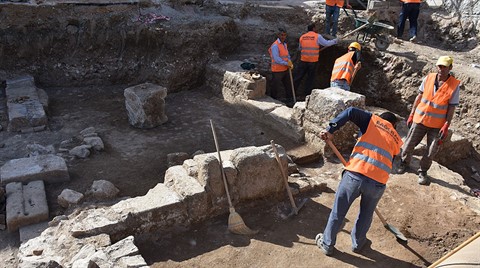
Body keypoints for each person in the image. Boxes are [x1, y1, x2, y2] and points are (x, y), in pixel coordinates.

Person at [315, 107, 403, 256]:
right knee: (366, 214)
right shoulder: (397, 139)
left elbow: (350, 112)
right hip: (378, 183)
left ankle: (327, 243)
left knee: (339, 211)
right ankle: (358, 243)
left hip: (355, 175)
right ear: (393, 126)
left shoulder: (373, 120)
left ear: (381, 118)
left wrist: (330, 130)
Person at [397, 56, 461, 185]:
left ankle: (423, 171)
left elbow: (451, 107)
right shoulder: (429, 78)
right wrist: (411, 114)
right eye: (440, 66)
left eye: (445, 67)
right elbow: (419, 96)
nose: (441, 69)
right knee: (409, 143)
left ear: (450, 68)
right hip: (420, 119)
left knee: (431, 150)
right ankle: (404, 163)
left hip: (436, 125)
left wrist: (446, 125)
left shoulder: (454, 85)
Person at [293, 23, 337, 98]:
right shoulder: (317, 36)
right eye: (315, 28)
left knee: (298, 77)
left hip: (303, 60)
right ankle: (306, 95)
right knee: (310, 79)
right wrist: (335, 41)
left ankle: (292, 93)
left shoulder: (302, 37)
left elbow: (300, 48)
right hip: (312, 62)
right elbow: (326, 43)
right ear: (313, 28)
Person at [268, 27, 294, 106]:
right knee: (275, 86)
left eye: (284, 35)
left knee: (288, 85)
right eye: (282, 35)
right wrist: (286, 63)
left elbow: (287, 55)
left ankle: (290, 100)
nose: (283, 37)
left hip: (285, 69)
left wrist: (289, 61)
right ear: (278, 35)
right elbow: (276, 59)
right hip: (277, 70)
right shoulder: (275, 46)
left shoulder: (284, 45)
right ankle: (273, 100)